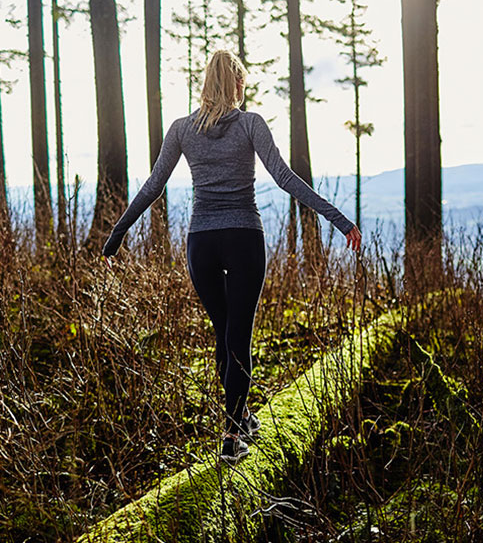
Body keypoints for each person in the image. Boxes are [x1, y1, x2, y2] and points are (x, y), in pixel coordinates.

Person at [101, 49, 362, 464]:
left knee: (224, 332)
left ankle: (239, 418)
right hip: (243, 236)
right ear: (236, 83)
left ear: (207, 83)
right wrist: (340, 220)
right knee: (238, 335)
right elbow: (285, 178)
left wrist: (117, 234)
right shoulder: (250, 124)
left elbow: (154, 185)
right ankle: (232, 435)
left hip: (201, 242)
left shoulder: (182, 129)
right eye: (242, 81)